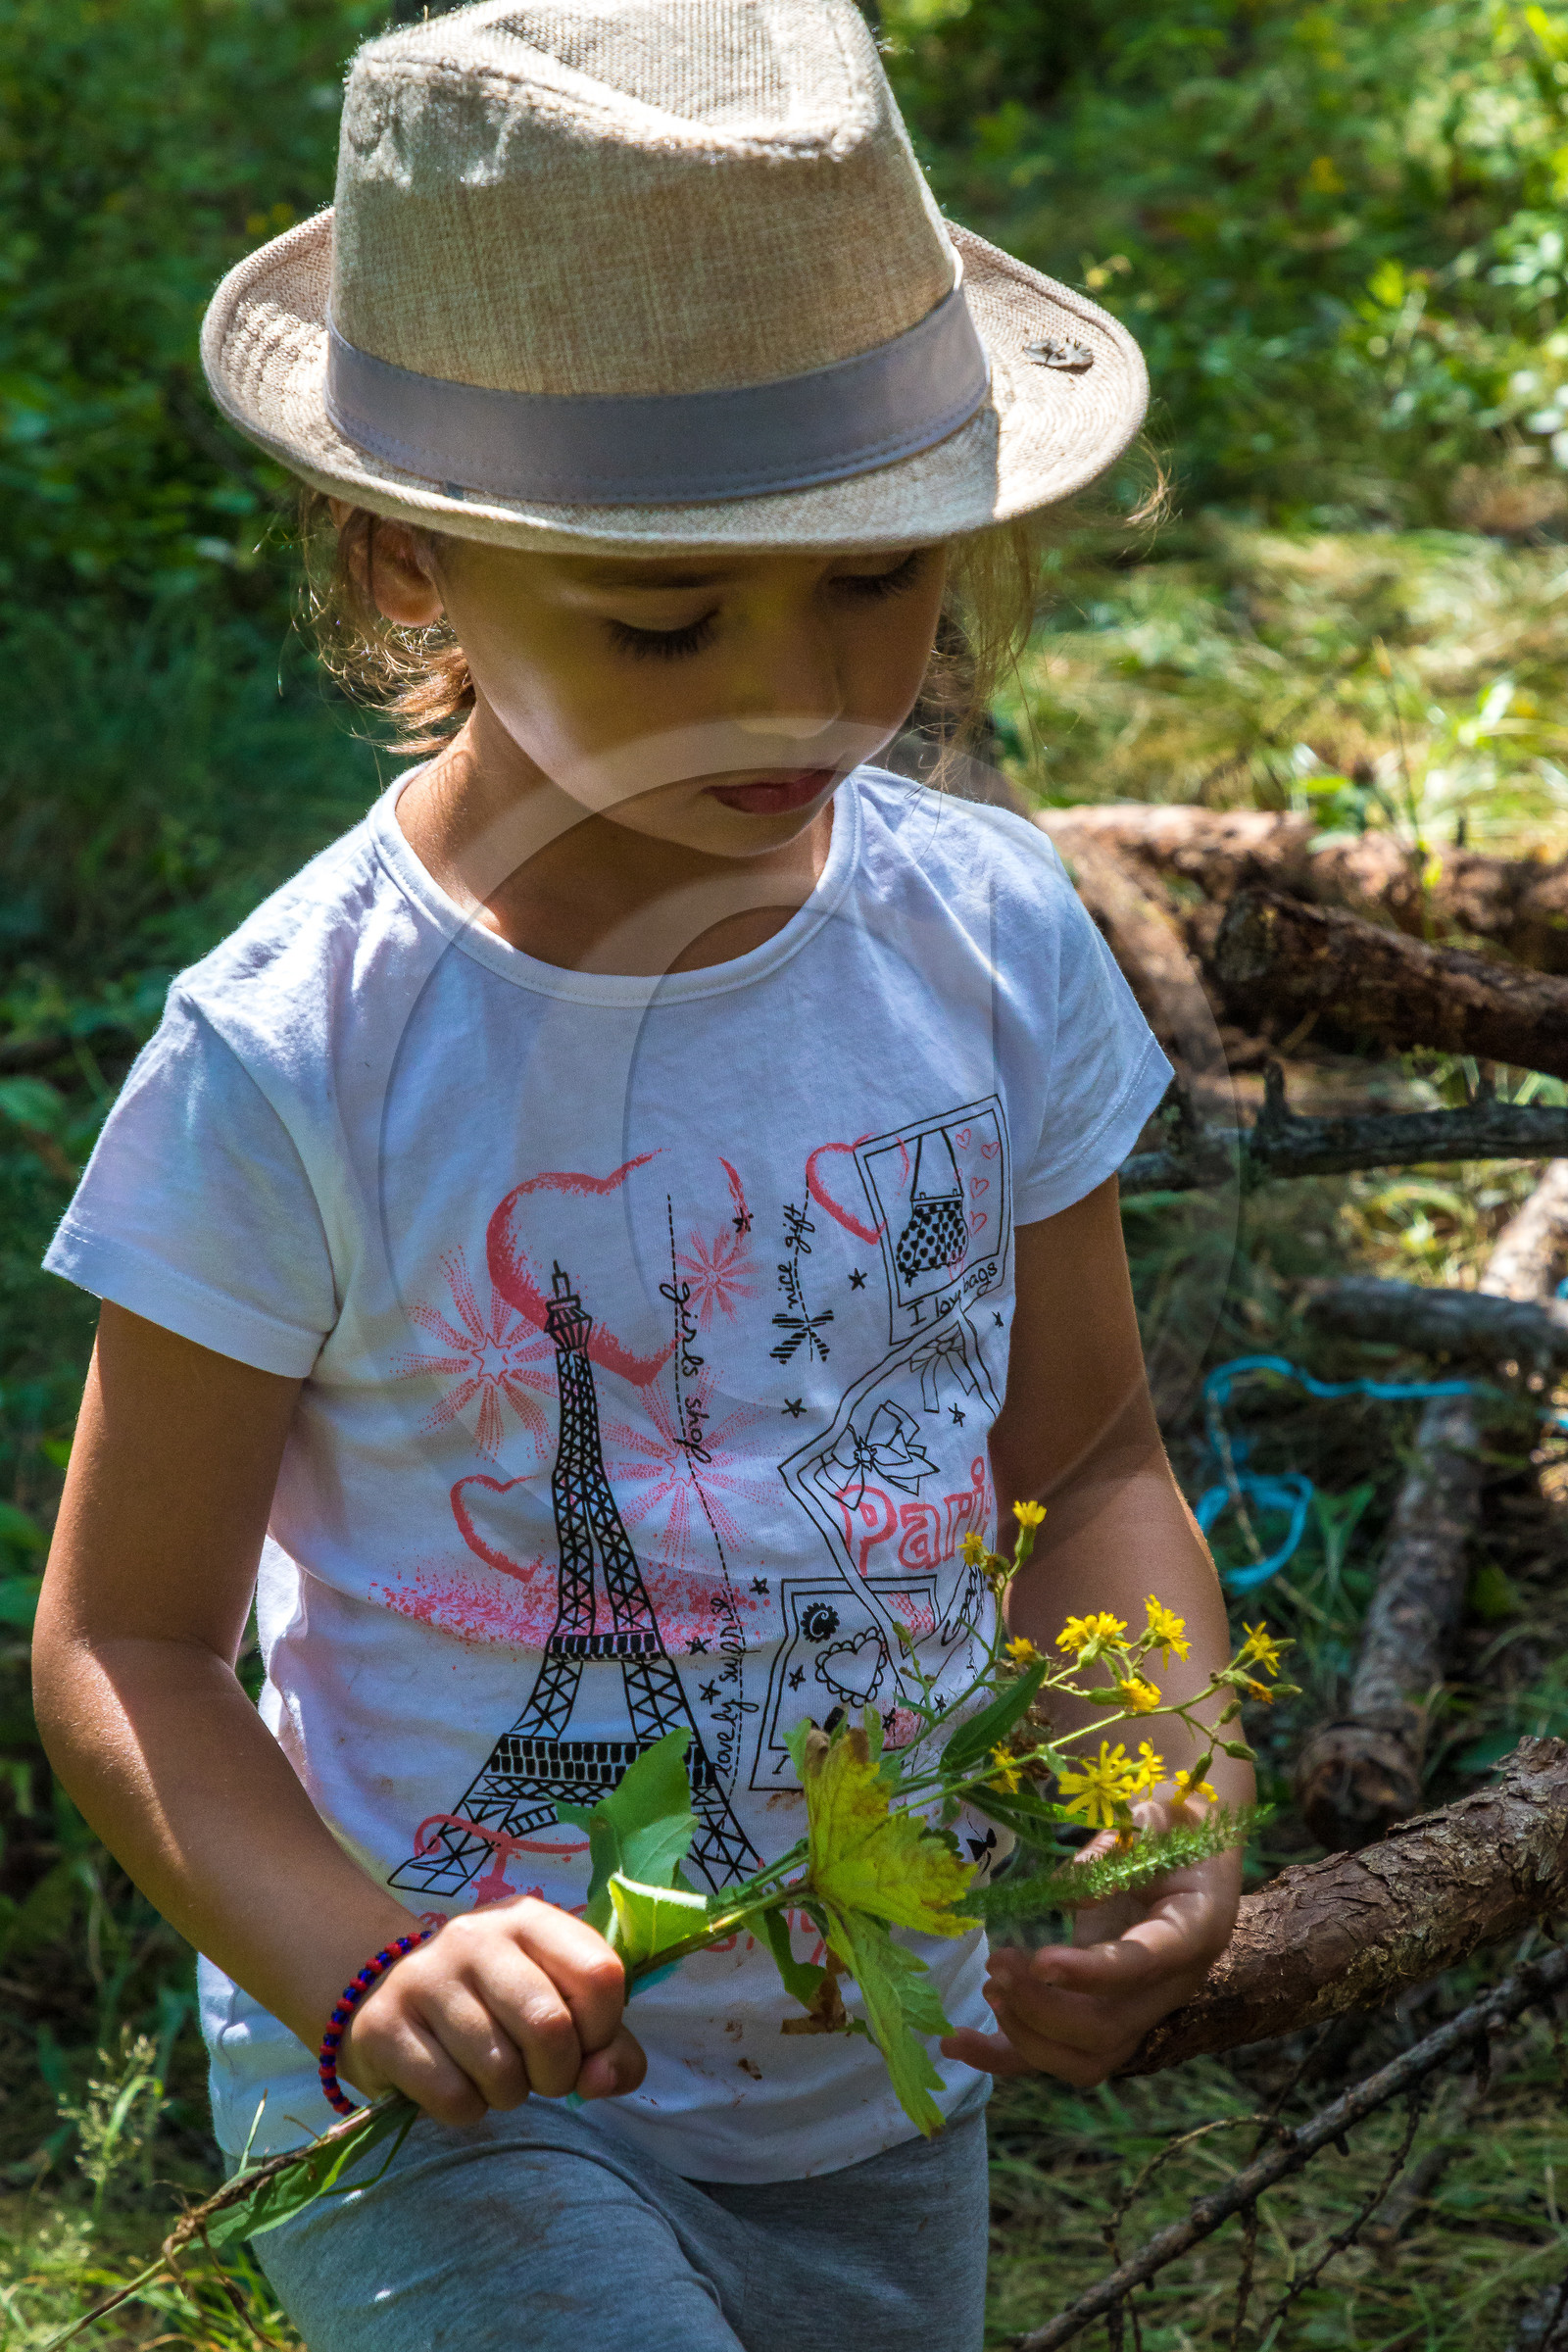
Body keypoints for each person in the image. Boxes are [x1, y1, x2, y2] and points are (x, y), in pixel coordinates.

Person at [30, 5, 1251, 2345]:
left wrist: (1157, 1796)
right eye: (670, 621)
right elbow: (128, 1646)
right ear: (409, 561)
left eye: (878, 582)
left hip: (874, 2071)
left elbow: (1089, 1454)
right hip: (443, 2102)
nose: (801, 689)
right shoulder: (298, 1055)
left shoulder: (988, 937)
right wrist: (367, 1963)